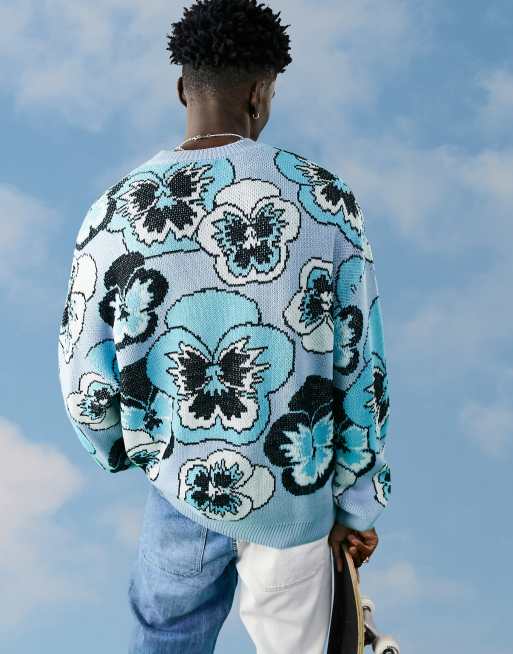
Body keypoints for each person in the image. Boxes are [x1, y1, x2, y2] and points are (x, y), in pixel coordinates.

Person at [56, 1, 391, 652]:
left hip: (177, 482)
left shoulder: (115, 209)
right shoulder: (323, 199)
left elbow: (83, 375)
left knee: (167, 637)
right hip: (296, 490)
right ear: (261, 93)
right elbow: (360, 362)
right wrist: (356, 502)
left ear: (182, 88)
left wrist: (124, 447)